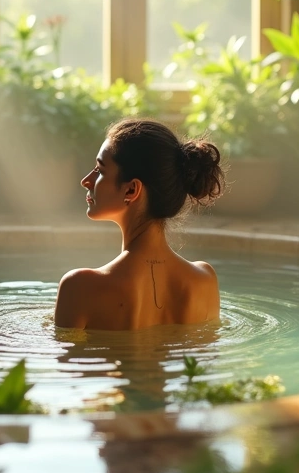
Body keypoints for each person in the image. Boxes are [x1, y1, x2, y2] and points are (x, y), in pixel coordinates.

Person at [54, 118, 225, 330]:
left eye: (100, 170)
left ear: (131, 190)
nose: (86, 180)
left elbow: (68, 360)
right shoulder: (204, 281)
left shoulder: (79, 288)